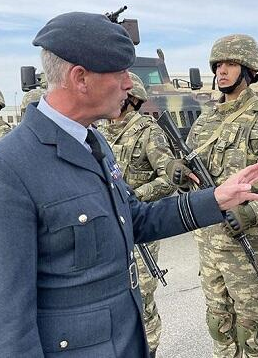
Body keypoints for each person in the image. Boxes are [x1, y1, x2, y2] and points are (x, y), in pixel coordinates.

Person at [0, 12, 258, 358]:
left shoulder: (94, 144)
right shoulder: (5, 168)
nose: (129, 84)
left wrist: (215, 198)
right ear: (80, 78)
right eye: (121, 72)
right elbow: (2, 322)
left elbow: (135, 219)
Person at [170, 34, 258, 358]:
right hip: (209, 247)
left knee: (251, 332)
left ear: (249, 69)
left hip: (247, 246)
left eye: (230, 64)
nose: (221, 71)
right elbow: (192, 182)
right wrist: (177, 174)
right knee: (218, 326)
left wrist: (250, 213)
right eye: (218, 65)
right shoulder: (205, 121)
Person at [98, 72, 175, 357]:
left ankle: (149, 348)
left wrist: (132, 198)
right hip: (108, 227)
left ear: (132, 99)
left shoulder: (147, 131)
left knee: (141, 293)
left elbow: (168, 179)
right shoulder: (99, 132)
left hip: (138, 225)